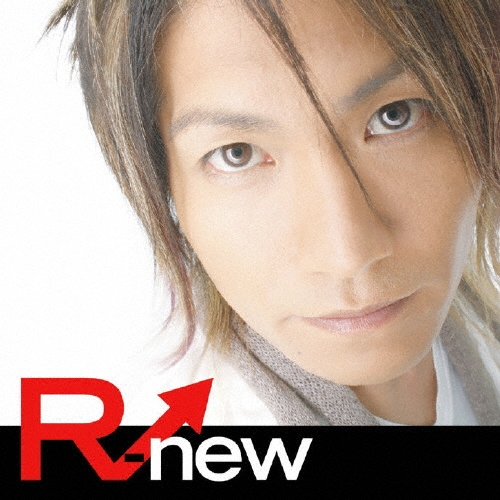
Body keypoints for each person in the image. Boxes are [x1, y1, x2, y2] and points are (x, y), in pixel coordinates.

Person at [48, 0, 500, 425]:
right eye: (237, 153)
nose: (348, 254)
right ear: (165, 185)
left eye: (394, 116)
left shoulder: (480, 336)